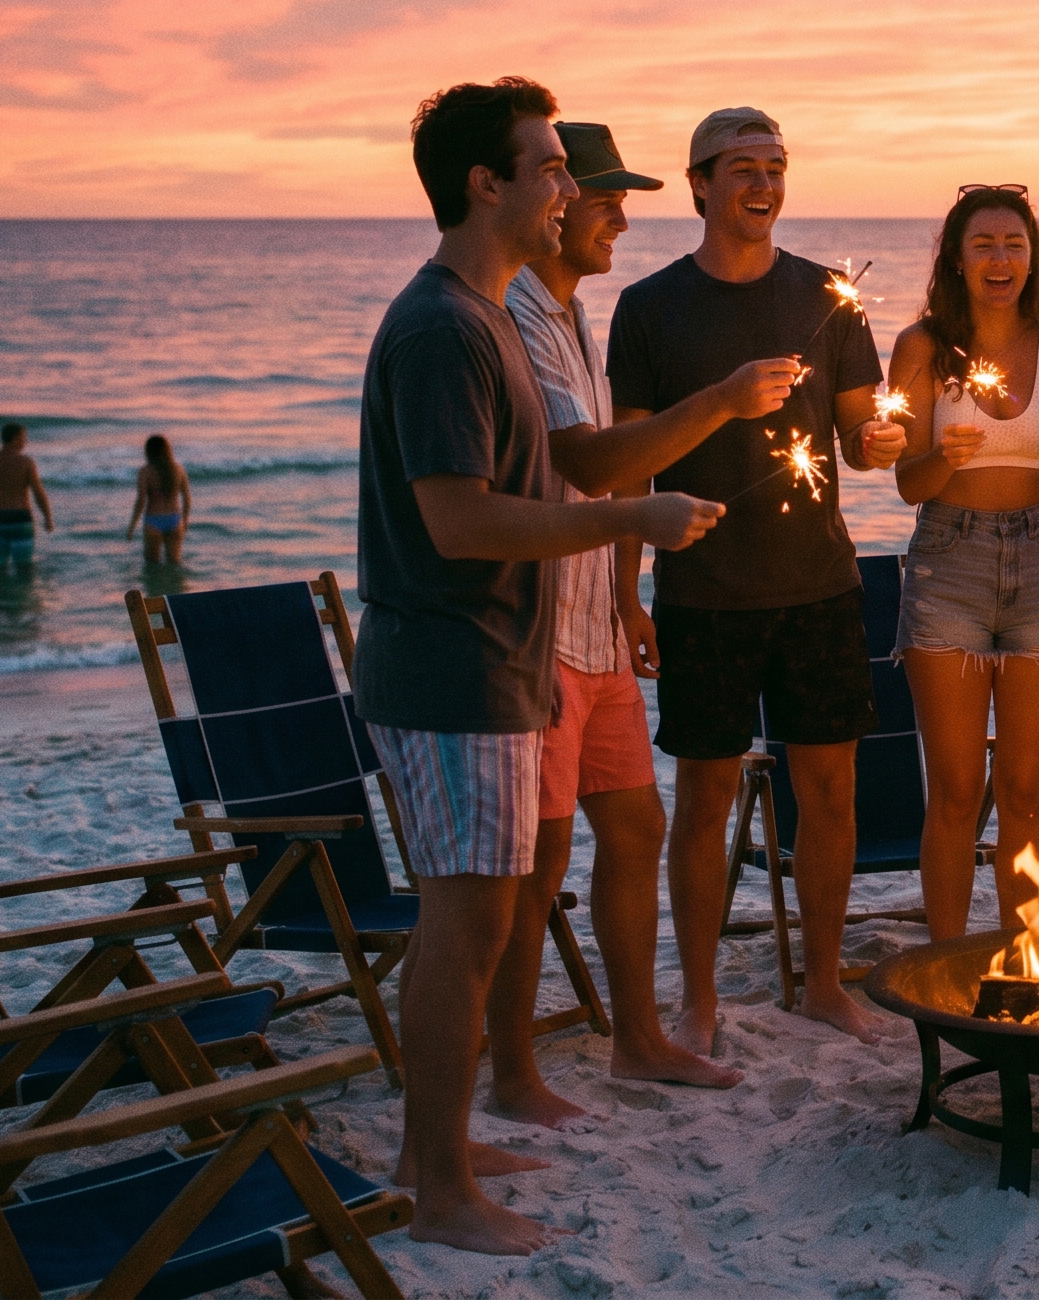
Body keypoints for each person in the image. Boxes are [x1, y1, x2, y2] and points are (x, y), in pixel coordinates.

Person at [359, 77, 721, 1256]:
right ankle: (442, 1193)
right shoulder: (445, 328)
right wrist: (632, 524)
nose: (570, 188)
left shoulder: (489, 312)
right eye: (552, 166)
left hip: (491, 663)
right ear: (488, 184)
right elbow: (462, 522)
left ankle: (434, 1151)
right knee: (464, 926)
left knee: (471, 919)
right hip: (453, 667)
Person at [606, 107, 909, 1051]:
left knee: (830, 795)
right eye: (742, 168)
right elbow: (629, 469)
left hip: (820, 585)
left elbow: (861, 441)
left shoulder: (829, 297)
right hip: (702, 595)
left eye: (776, 166)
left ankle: (822, 982)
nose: (763, 184)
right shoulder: (649, 308)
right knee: (702, 805)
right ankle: (698, 1001)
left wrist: (878, 441)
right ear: (698, 184)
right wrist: (626, 595)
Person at [496, 121, 745, 1122]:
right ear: (556, 207)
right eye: (604, 200)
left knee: (635, 826)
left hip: (597, 628)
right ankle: (514, 1074)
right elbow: (595, 467)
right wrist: (722, 402)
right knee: (540, 861)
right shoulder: (515, 311)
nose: (621, 219)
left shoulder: (573, 314)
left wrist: (630, 593)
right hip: (537, 633)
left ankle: (637, 1040)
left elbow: (612, 471)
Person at [886, 185, 1039, 937]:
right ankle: (944, 964)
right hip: (949, 561)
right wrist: (942, 457)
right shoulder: (920, 347)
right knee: (951, 792)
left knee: (1026, 792)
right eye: (984, 245)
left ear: (1033, 255)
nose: (1000, 258)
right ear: (957, 258)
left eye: (1014, 243)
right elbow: (908, 483)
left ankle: (1022, 965)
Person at [0, 422, 51, 571]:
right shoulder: (26, 462)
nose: (25, 442)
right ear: (15, 438)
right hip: (20, 520)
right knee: (24, 569)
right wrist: (48, 517)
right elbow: (38, 493)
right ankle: (21, 595)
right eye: (23, 438)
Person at [124, 434, 191, 563]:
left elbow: (141, 501)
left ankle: (155, 584)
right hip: (175, 520)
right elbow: (187, 500)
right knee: (175, 564)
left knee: (152, 566)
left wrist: (132, 527)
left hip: (153, 521)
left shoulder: (145, 471)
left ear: (148, 451)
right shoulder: (178, 470)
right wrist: (185, 522)